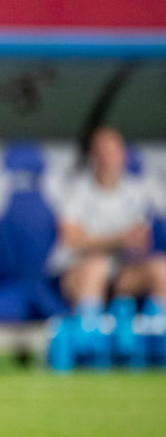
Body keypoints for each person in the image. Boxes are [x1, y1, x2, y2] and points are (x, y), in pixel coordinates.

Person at [52, 125, 166, 333]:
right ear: (92, 156)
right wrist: (118, 239)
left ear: (123, 155)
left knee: (161, 268)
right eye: (102, 152)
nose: (108, 158)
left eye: (113, 151)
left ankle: (157, 332)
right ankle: (90, 334)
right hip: (78, 271)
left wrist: (137, 243)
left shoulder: (136, 191)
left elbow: (141, 241)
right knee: (97, 265)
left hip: (120, 273)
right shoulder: (76, 190)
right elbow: (70, 237)